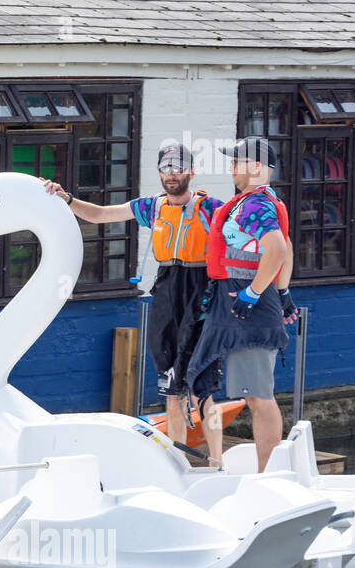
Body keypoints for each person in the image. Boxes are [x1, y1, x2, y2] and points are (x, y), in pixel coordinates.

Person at [46, 141, 225, 458]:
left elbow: (242, 243)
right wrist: (67, 199)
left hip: (202, 298)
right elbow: (101, 215)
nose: (172, 174)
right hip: (167, 296)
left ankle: (218, 464)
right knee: (171, 390)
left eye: (179, 167)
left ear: (192, 172)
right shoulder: (152, 207)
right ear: (159, 172)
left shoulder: (213, 209)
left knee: (203, 392)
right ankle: (180, 463)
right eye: (166, 168)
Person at [185, 137, 298, 473]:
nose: (232, 167)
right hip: (238, 305)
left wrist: (254, 293)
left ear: (257, 167)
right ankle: (244, 468)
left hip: (247, 309)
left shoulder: (255, 205)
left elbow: (277, 249)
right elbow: (287, 248)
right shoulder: (256, 202)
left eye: (237, 161)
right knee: (233, 388)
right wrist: (283, 292)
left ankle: (268, 476)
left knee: (258, 396)